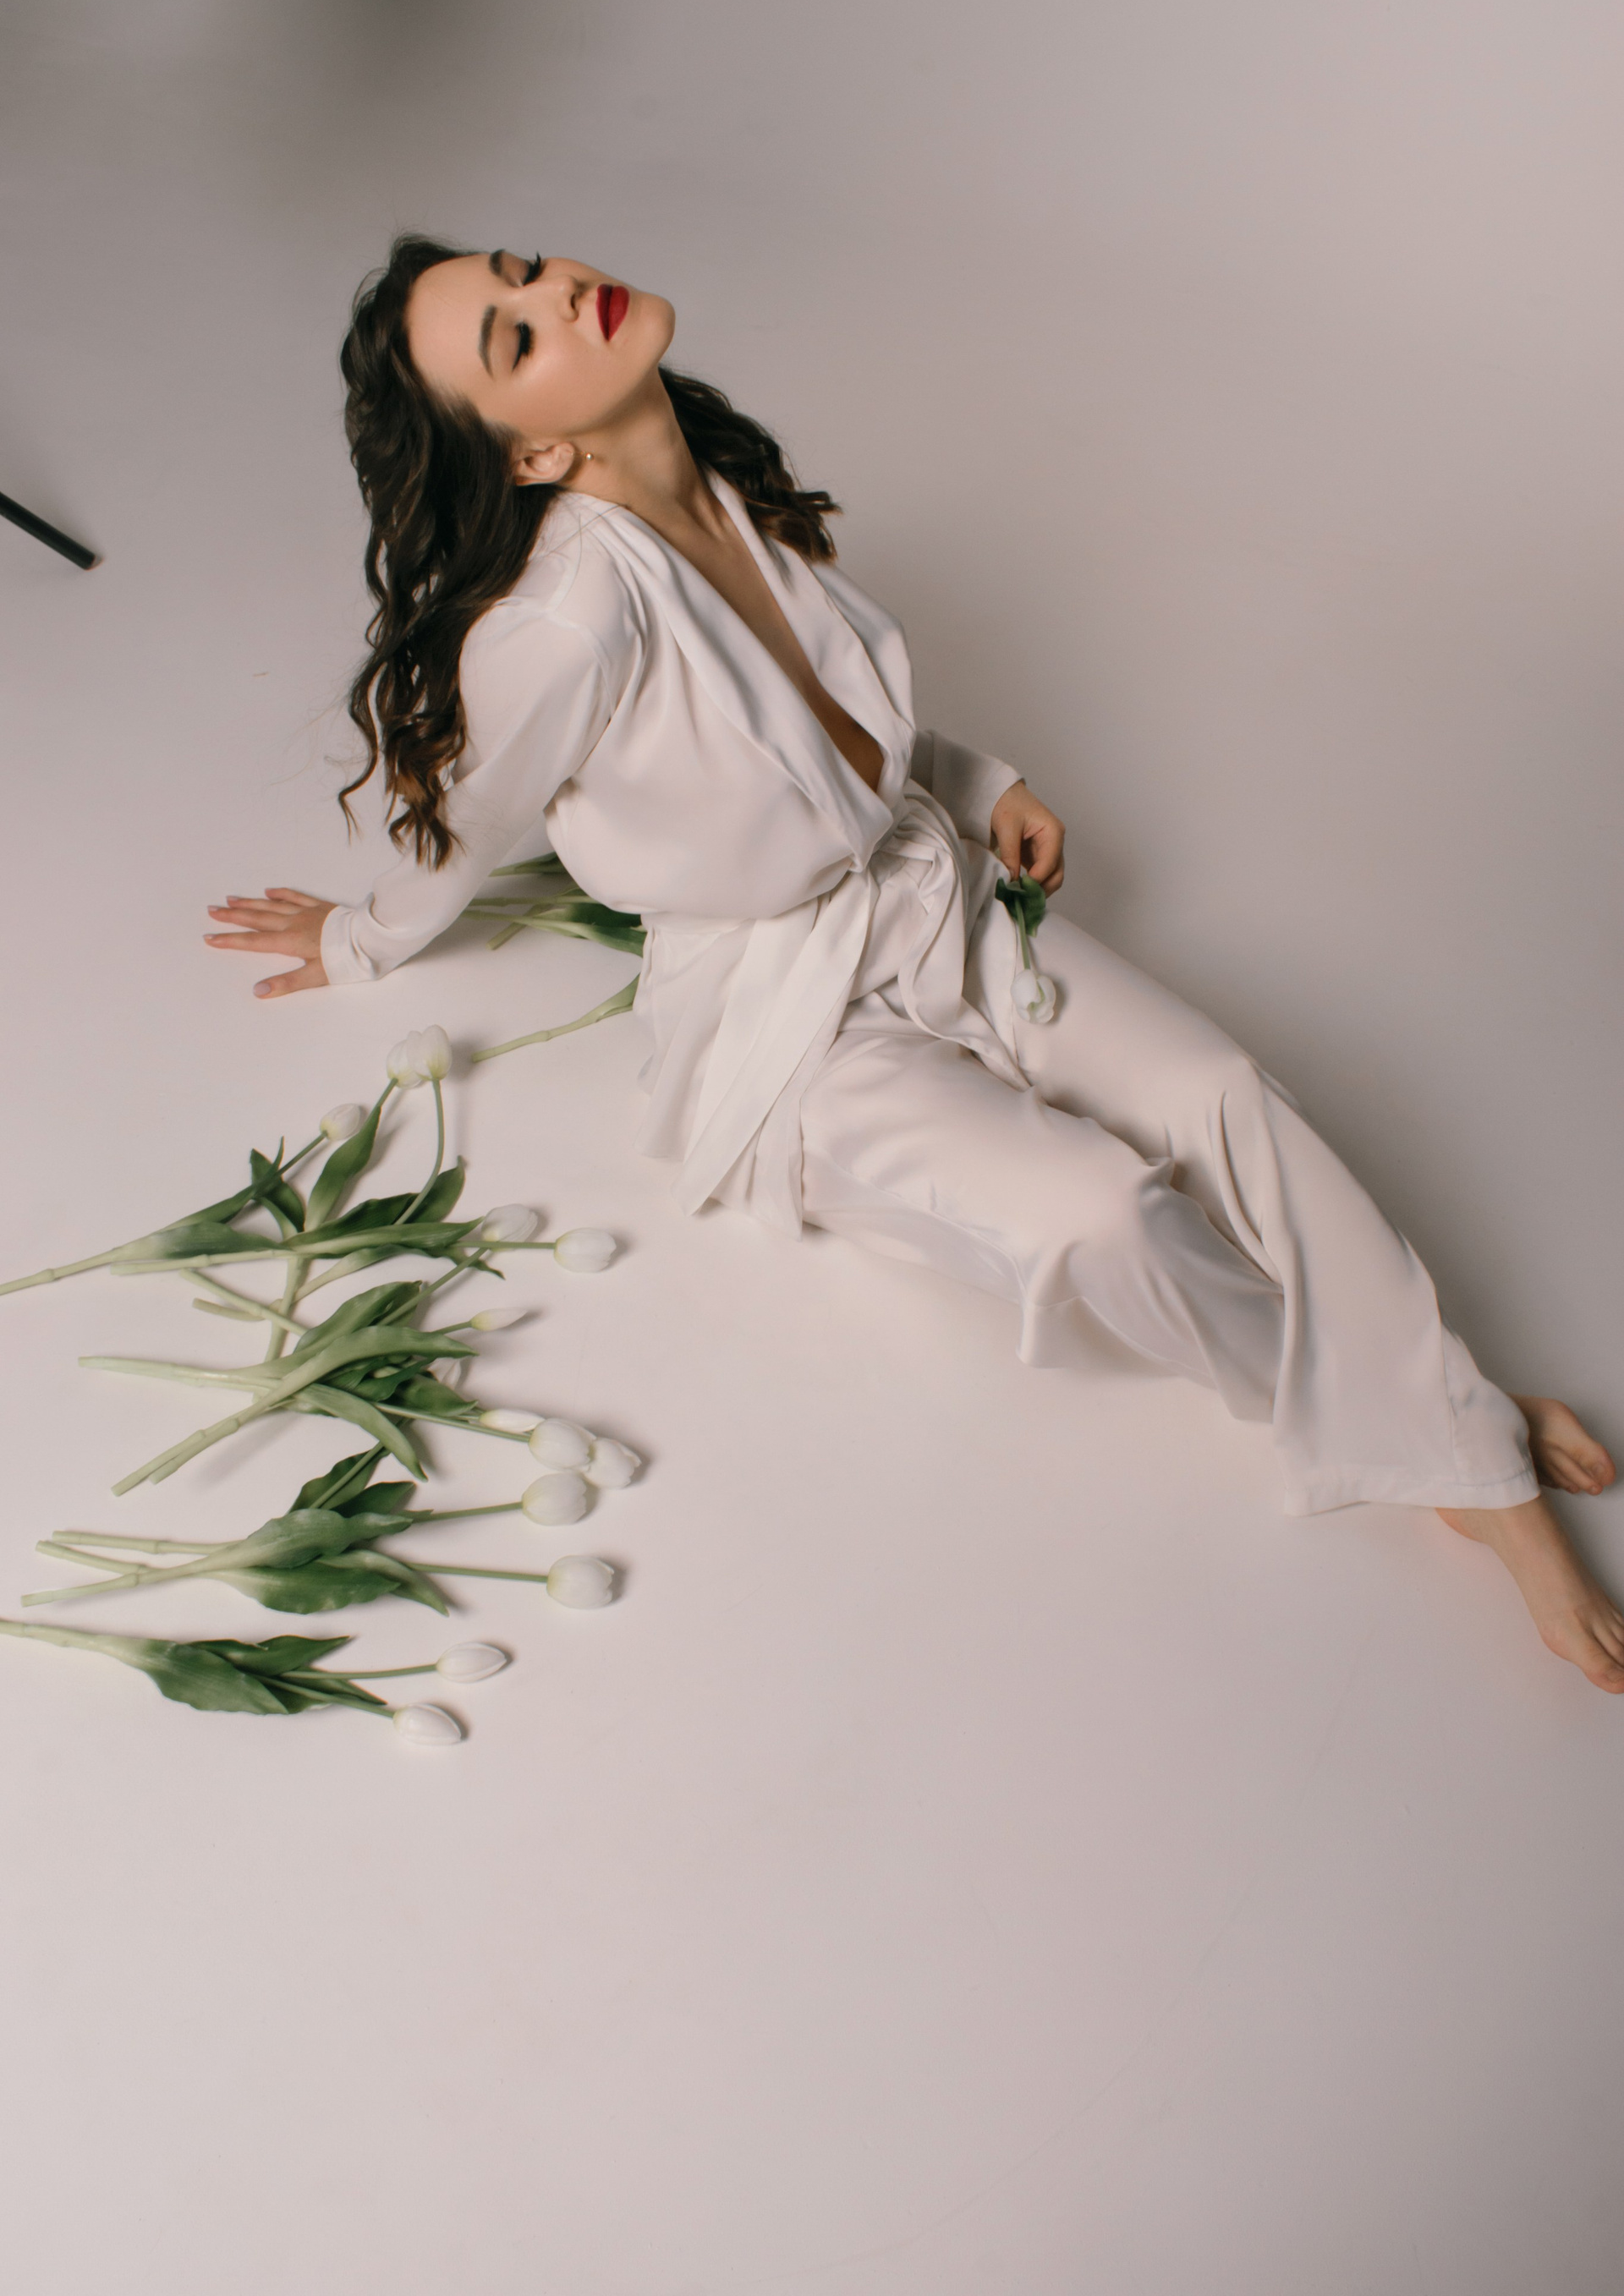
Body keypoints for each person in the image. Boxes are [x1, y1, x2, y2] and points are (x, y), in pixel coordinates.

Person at [206, 238, 1620, 1690]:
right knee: (1101, 1219)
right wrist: (356, 938)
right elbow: (471, 817)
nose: (560, 293)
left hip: (929, 891)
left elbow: (824, 734)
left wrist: (978, 779)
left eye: (524, 271)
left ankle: (1439, 1421)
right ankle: (1442, 1444)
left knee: (1224, 1093)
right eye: (514, 338)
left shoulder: (722, 483)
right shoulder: (564, 620)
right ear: (534, 452)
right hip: (792, 1027)